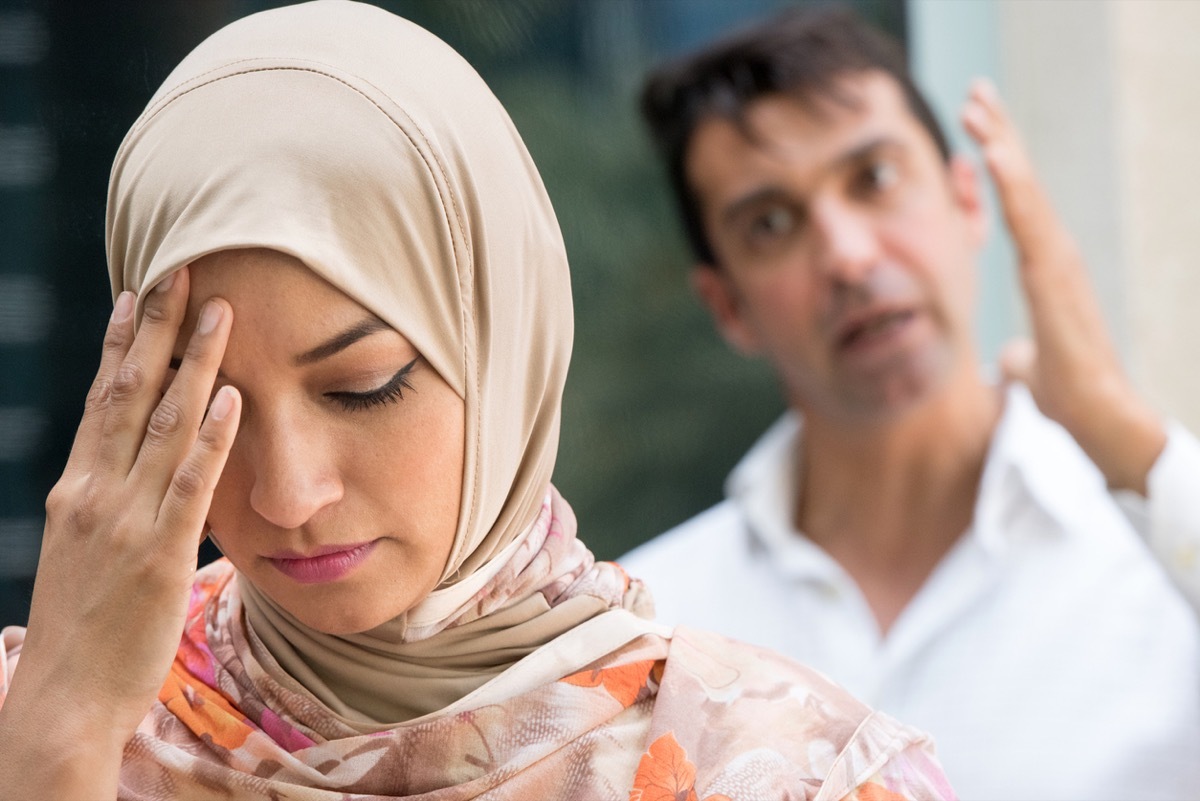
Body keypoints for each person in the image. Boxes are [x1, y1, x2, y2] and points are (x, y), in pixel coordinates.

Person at [0, 3, 956, 799]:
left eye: (361, 387)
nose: (286, 495)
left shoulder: (785, 772)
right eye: (211, 406)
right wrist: (62, 735)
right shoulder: (48, 720)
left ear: (505, 344)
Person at [620, 7, 1200, 801]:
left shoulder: (1159, 556)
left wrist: (1122, 433)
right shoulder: (652, 630)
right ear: (728, 307)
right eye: (772, 223)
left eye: (875, 178)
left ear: (969, 196)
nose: (849, 255)